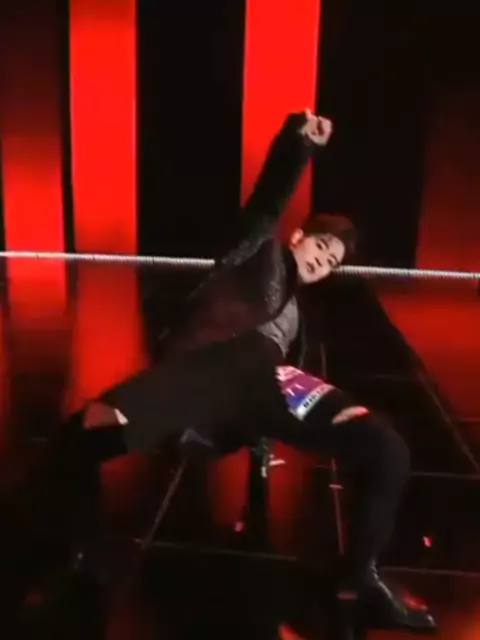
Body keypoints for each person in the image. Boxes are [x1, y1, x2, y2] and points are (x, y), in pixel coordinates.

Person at [20, 110, 435, 632]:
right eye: (321, 246)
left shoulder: (296, 315)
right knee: (81, 435)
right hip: (199, 375)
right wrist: (298, 144)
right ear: (298, 236)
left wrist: (263, 438)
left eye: (333, 261)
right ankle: (73, 555)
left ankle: (358, 578)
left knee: (387, 447)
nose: (323, 261)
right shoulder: (256, 252)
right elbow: (267, 202)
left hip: (268, 380)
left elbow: (282, 381)